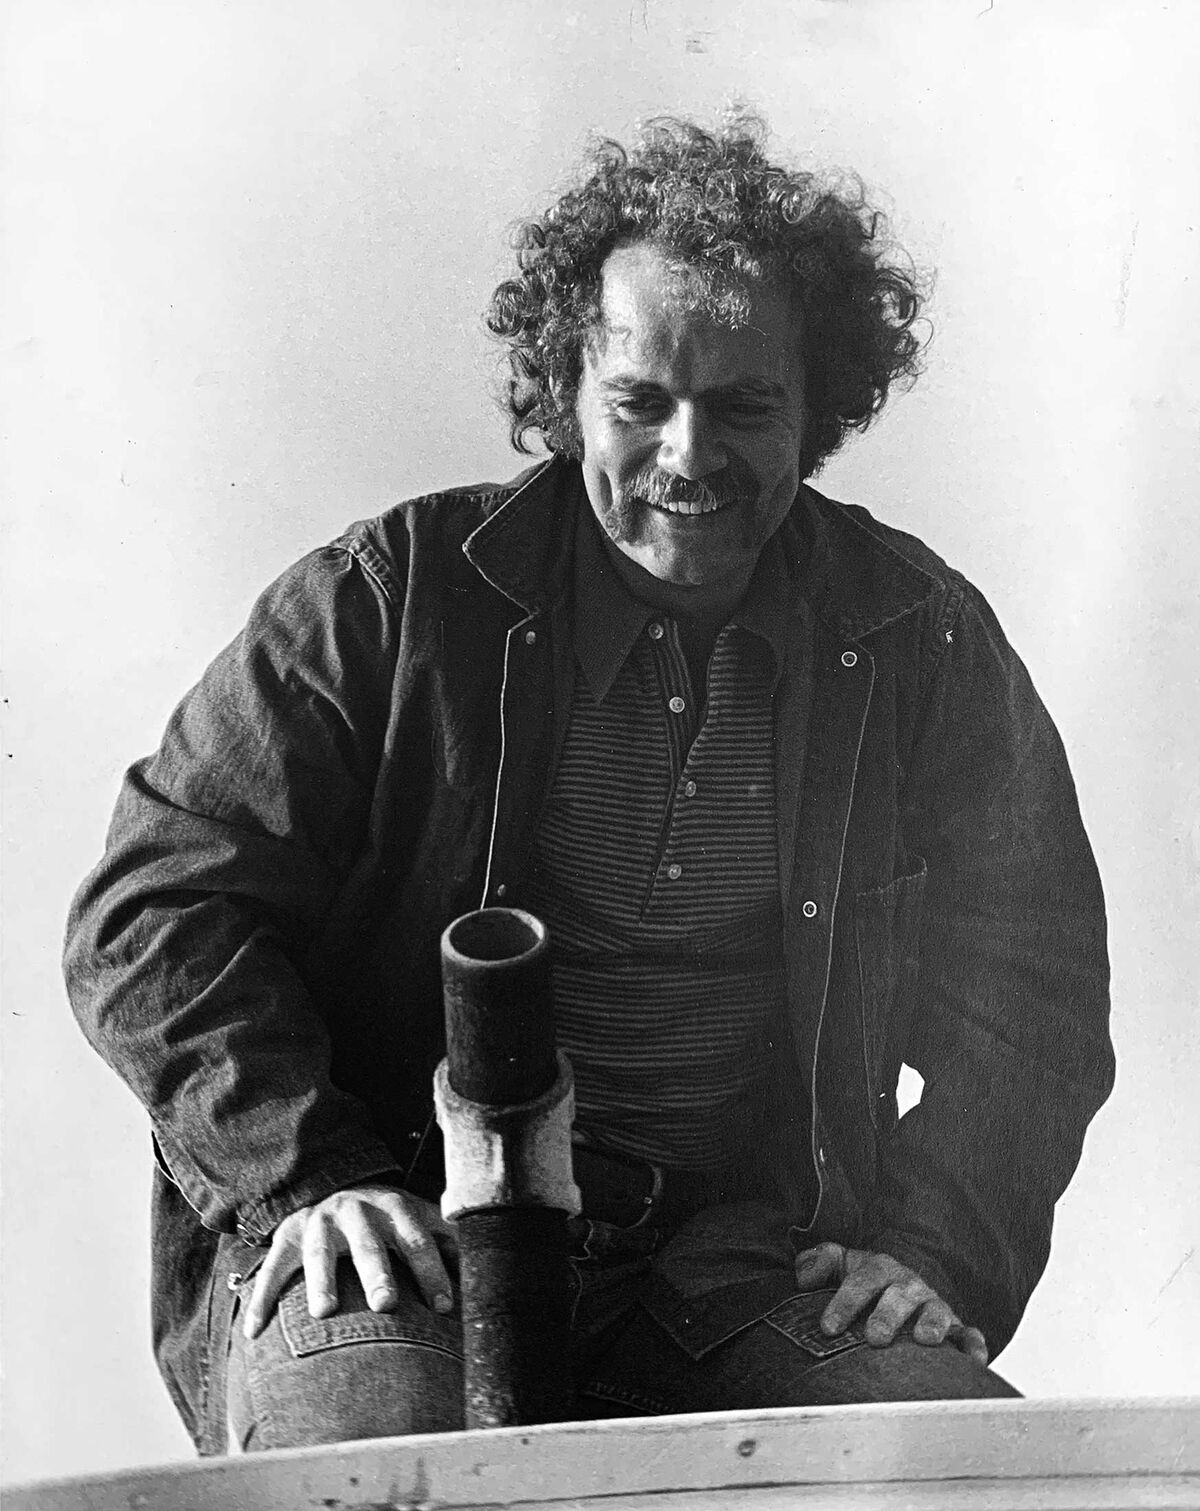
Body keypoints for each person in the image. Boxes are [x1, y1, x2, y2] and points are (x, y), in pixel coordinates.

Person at [64, 115, 1115, 1454]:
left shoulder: (922, 638)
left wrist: (936, 1249)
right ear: (565, 392)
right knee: (373, 1476)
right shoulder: (382, 599)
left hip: (746, 1272)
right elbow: (153, 910)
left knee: (979, 1475)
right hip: (401, 1243)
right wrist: (307, 1175)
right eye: (641, 403)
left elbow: (1031, 987)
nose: (689, 455)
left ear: (822, 407)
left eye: (745, 406)